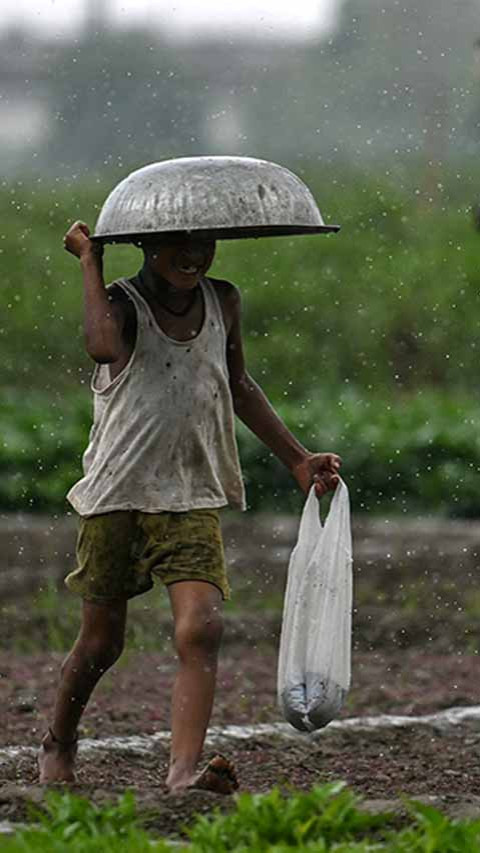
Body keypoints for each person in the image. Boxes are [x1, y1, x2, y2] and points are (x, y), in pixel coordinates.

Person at [38, 222, 342, 793]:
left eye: (205, 245)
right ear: (149, 247)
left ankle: (182, 773)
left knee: (201, 629)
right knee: (102, 643)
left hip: (193, 491)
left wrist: (297, 459)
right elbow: (102, 347)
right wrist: (89, 262)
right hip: (117, 492)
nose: (195, 256)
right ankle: (59, 739)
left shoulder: (223, 300)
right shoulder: (122, 306)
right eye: (180, 244)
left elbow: (239, 384)